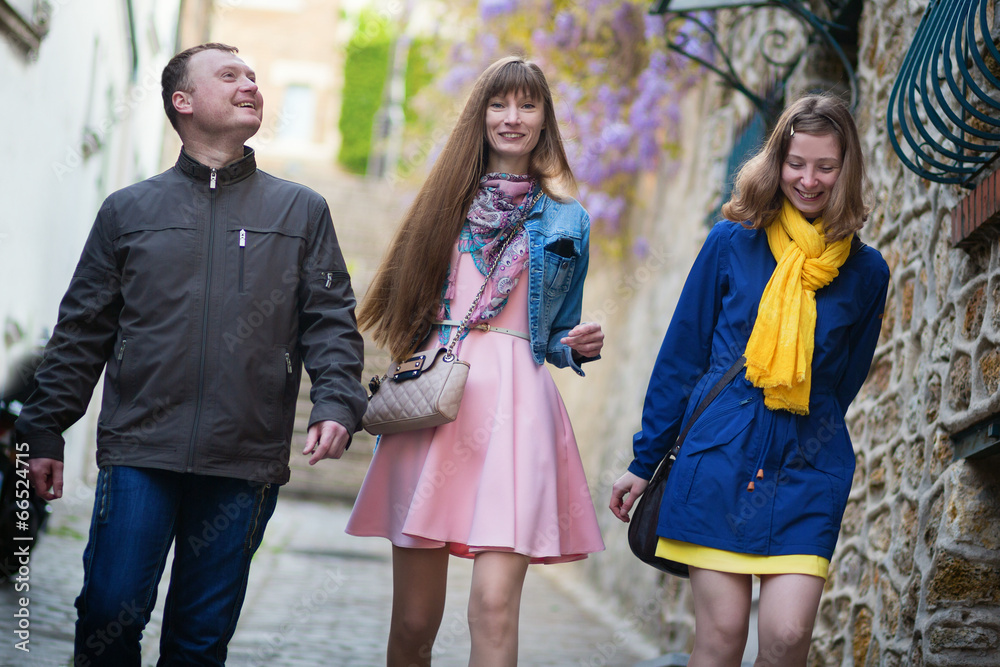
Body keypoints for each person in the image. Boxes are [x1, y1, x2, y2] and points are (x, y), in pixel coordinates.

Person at [15, 43, 368, 665]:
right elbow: (82, 332)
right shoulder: (128, 210)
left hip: (244, 455)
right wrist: (44, 427)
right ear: (183, 101)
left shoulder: (301, 211)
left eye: (253, 76)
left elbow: (331, 322)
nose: (250, 84)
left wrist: (337, 401)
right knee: (108, 611)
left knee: (200, 640)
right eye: (229, 76)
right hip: (140, 448)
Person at [610, 94, 889, 666]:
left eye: (825, 167)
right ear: (776, 160)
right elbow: (682, 357)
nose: (808, 180)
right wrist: (644, 461)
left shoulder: (867, 272)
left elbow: (844, 381)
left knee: (787, 638)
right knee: (721, 636)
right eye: (796, 163)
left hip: (807, 469)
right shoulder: (731, 242)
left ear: (846, 170)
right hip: (719, 461)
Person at [345, 56, 605, 666]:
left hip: (518, 412)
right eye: (499, 103)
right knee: (414, 622)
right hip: (437, 402)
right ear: (480, 115)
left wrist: (574, 344)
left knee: (492, 606)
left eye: (527, 105)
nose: (513, 117)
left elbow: (556, 329)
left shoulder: (569, 219)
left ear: (544, 120)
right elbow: (400, 304)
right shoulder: (442, 205)